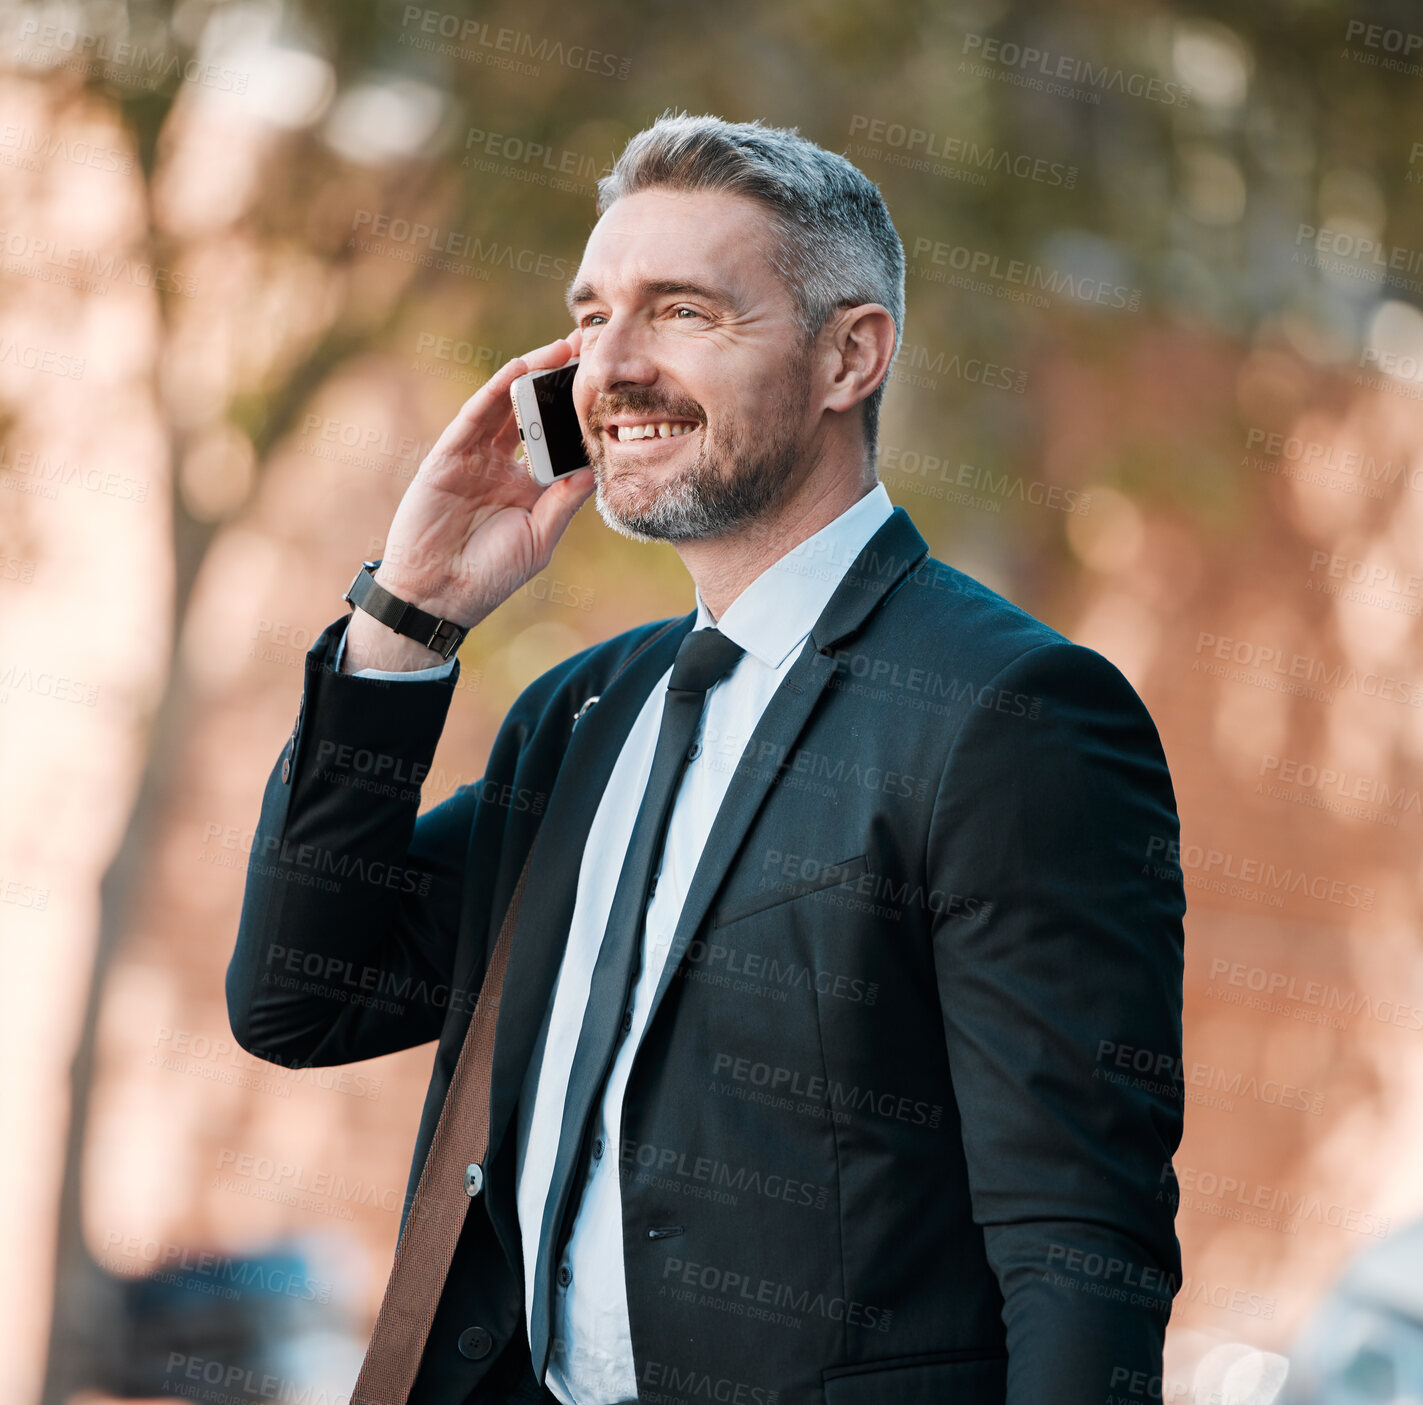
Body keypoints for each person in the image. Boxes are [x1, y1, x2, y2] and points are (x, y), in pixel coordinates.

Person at [226, 111, 1186, 1405]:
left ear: (851, 356)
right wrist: (407, 617)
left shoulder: (1012, 715)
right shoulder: (580, 717)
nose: (609, 366)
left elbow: (1079, 1248)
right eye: (593, 313)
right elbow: (301, 997)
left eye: (681, 311)